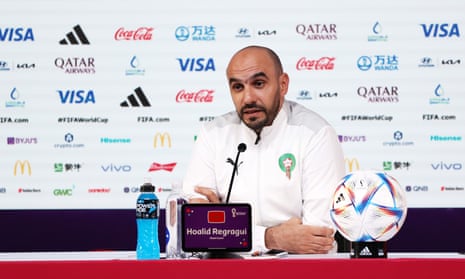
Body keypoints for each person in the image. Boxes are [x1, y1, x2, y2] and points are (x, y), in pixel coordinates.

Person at [182, 45, 346, 254]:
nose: (248, 97)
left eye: (258, 84)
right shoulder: (214, 134)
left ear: (283, 84)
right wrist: (272, 238)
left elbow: (318, 237)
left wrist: (228, 232)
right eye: (238, 87)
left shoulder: (315, 134)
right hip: (229, 271)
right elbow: (197, 230)